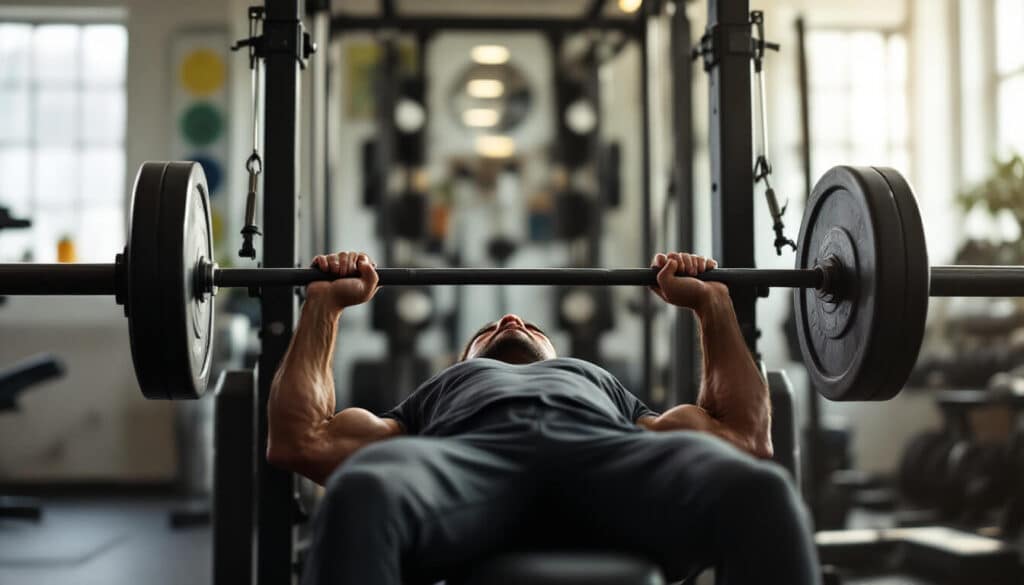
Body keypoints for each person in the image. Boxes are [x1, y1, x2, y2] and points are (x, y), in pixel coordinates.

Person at [268, 251, 820, 585]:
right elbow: (301, 439)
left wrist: (712, 303)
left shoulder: (601, 386)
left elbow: (745, 438)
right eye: (488, 331)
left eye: (531, 326)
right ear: (464, 362)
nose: (511, 317)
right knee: (360, 491)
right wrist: (323, 303)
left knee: (760, 491)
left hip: (609, 459)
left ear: (557, 358)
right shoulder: (433, 398)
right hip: (464, 466)